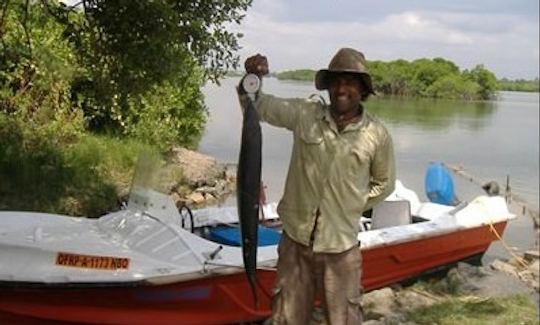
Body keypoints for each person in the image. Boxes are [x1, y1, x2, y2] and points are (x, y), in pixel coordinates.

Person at [237, 48, 396, 324]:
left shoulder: (377, 135)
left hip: (341, 252)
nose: (342, 88)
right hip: (295, 246)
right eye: (336, 81)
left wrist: (352, 204)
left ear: (362, 89)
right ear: (328, 86)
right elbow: (257, 105)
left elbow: (384, 184)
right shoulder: (305, 114)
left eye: (350, 81)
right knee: (286, 319)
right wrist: (250, 78)